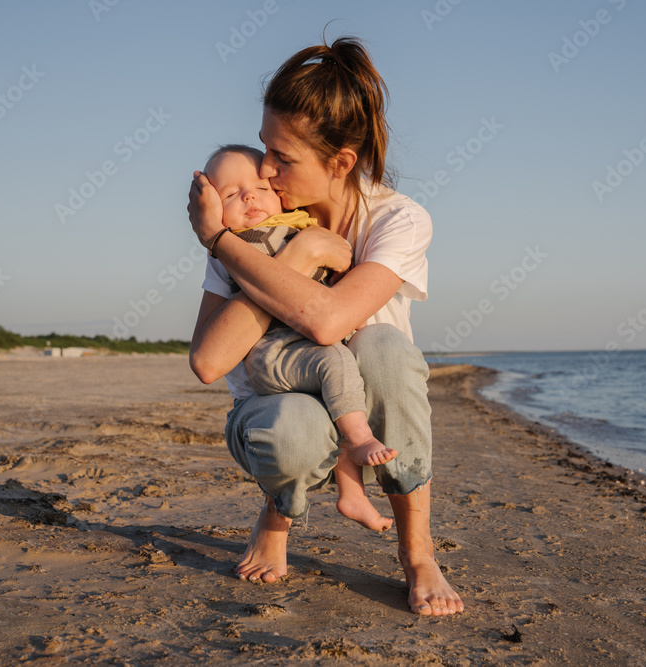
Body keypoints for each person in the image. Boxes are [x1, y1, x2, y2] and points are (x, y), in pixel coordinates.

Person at [187, 36, 464, 616]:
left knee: (385, 349)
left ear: (340, 162)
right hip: (270, 409)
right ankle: (278, 512)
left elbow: (330, 319)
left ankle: (417, 554)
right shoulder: (249, 225)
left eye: (281, 159)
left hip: (357, 400)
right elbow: (210, 363)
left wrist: (222, 240)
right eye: (265, 146)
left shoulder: (398, 220)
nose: (264, 170)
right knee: (293, 429)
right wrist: (282, 252)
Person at [201, 144, 398, 533]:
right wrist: (307, 250)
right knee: (335, 363)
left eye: (259, 187)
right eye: (229, 195)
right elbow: (337, 260)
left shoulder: (293, 225)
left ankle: (352, 493)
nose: (248, 197)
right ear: (212, 209)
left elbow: (342, 259)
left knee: (336, 388)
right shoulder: (239, 244)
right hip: (272, 352)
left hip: (299, 350)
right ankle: (359, 440)